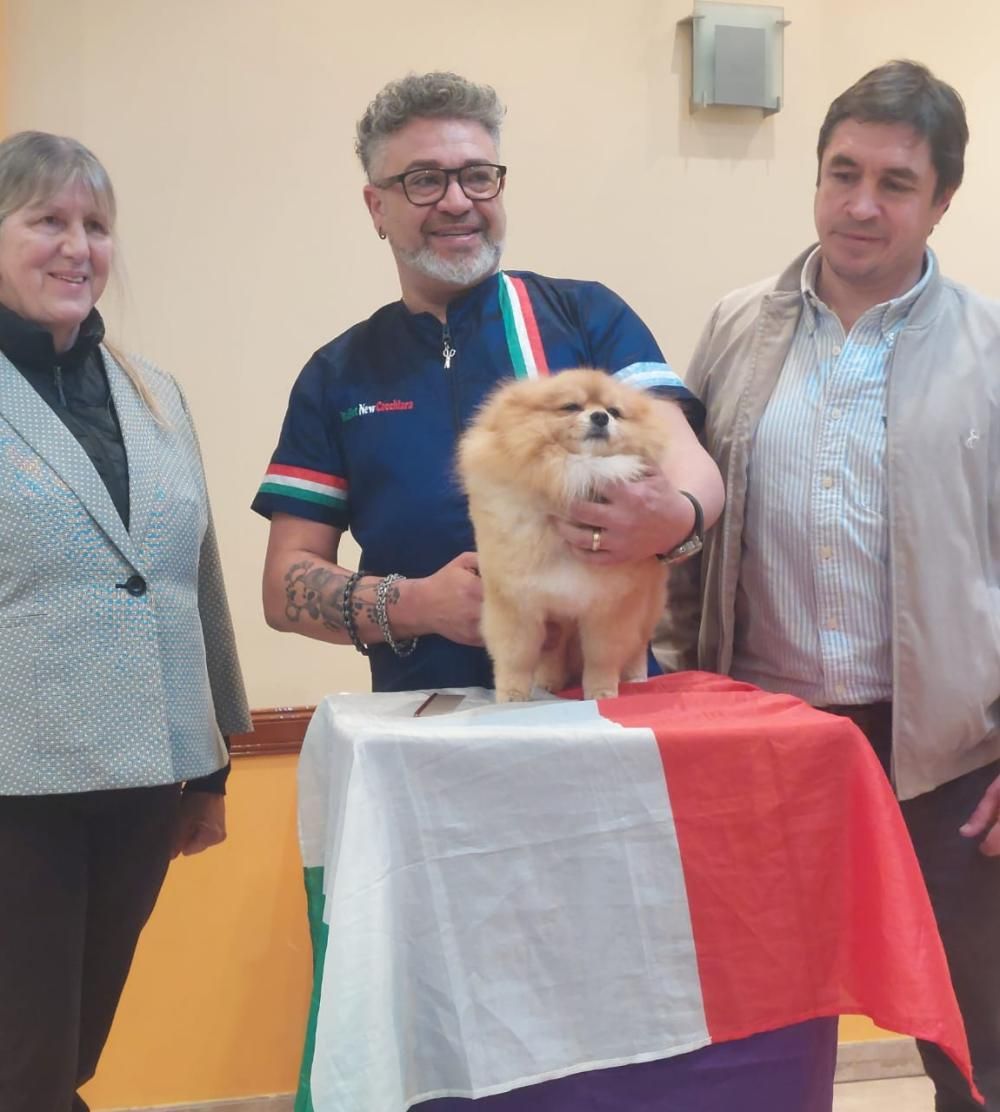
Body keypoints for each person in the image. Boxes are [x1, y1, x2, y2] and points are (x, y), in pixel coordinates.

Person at [658, 60, 1000, 1110]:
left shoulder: (991, 349)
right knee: (748, 1043)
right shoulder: (734, 329)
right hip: (764, 747)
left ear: (942, 200)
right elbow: (684, 528)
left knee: (982, 1052)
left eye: (895, 183)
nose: (860, 204)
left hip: (950, 761)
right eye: (842, 173)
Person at [253, 71, 724, 694]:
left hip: (607, 711)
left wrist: (674, 518)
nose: (457, 202)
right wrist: (418, 604)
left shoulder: (588, 316)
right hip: (426, 719)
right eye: (424, 180)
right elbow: (283, 585)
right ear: (377, 207)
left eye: (477, 175)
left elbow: (691, 463)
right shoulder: (337, 374)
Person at [0, 131, 250, 1112]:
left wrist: (214, 762)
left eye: (96, 225)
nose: (77, 246)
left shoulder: (156, 393)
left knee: (68, 1052)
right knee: (24, 1064)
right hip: (16, 787)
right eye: (47, 220)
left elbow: (195, 580)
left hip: (146, 780)